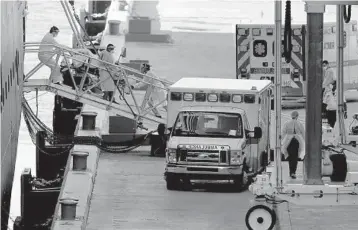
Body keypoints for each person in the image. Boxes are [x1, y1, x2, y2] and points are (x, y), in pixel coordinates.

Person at [281, 111, 305, 179]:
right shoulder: (300, 123)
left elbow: (283, 133)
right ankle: (293, 172)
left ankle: (291, 171)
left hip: (288, 141)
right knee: (295, 157)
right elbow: (303, 133)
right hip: (297, 141)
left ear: (291, 116)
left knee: (290, 157)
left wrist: (280, 141)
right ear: (297, 116)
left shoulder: (287, 123)